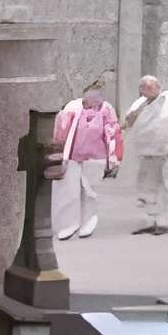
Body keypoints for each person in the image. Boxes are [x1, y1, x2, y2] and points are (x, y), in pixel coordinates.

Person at [121, 75, 168, 236]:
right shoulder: (140, 104)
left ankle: (162, 221)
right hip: (144, 153)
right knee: (146, 186)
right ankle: (149, 220)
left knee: (163, 185)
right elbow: (128, 123)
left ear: (158, 87)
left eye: (150, 86)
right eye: (143, 87)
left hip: (164, 152)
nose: (147, 89)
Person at [50, 83, 121, 240]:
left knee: (90, 191)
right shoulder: (72, 107)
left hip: (96, 157)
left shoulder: (106, 109)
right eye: (91, 96)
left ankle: (88, 221)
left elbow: (113, 132)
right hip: (72, 156)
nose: (95, 100)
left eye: (98, 96)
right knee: (68, 190)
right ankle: (68, 225)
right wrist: (57, 150)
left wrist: (114, 158)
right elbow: (60, 131)